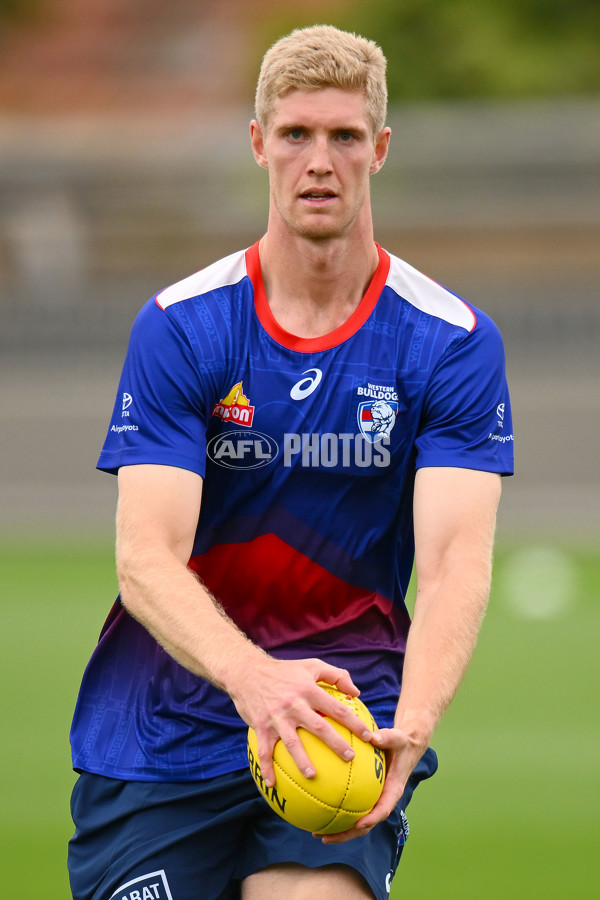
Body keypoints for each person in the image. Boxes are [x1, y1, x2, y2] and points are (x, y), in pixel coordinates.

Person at [68, 24, 514, 900]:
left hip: (344, 725)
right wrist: (254, 681)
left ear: (379, 149)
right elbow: (143, 558)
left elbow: (456, 558)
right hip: (164, 726)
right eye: (297, 135)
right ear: (259, 144)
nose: (320, 161)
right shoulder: (185, 325)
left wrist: (413, 722)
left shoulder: (450, 342)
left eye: (345, 137)